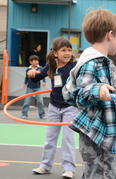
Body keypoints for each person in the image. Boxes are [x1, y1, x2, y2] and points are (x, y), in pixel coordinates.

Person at [63, 9, 116, 179]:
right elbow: (79, 95)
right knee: (99, 175)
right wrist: (97, 89)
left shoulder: (105, 63)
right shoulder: (92, 63)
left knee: (103, 174)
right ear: (110, 35)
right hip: (96, 138)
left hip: (104, 135)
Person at [28, 37, 77, 178]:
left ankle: (69, 168)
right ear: (55, 53)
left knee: (68, 138)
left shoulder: (74, 65)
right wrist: (32, 74)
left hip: (70, 107)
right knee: (50, 138)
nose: (67, 53)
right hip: (54, 106)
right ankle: (45, 165)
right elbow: (37, 77)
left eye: (69, 50)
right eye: (63, 50)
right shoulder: (51, 66)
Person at [21, 55, 46, 119]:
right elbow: (26, 77)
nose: (36, 62)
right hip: (29, 87)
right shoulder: (28, 69)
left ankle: (42, 115)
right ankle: (24, 114)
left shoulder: (40, 68)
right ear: (31, 62)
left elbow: (43, 75)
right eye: (34, 61)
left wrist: (44, 81)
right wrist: (24, 84)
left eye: (37, 60)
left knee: (40, 101)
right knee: (27, 101)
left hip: (37, 87)